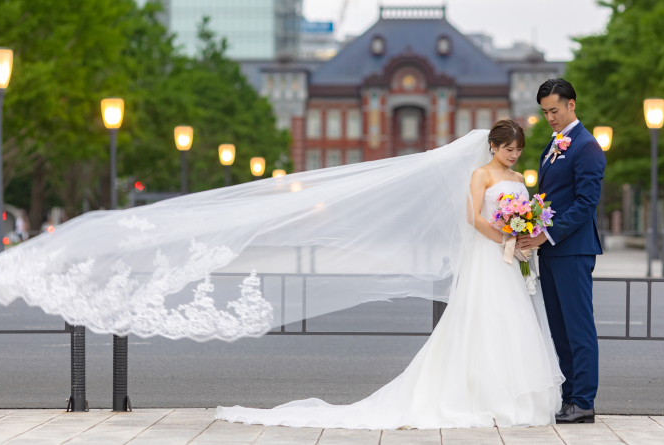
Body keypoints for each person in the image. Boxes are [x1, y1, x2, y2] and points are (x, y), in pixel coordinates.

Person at [215, 120, 564, 429]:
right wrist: (506, 238)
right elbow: (474, 218)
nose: (513, 155)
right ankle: (484, 397)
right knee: (484, 320)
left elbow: (524, 213)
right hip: (489, 256)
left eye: (518, 149)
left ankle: (517, 398)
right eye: (507, 149)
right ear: (492, 145)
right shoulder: (481, 175)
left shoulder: (519, 178)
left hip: (510, 258)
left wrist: (523, 237)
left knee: (512, 321)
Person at [517, 78, 606, 424]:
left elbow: (586, 204)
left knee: (578, 327)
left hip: (573, 250)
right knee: (560, 328)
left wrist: (545, 235)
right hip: (551, 251)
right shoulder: (554, 145)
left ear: (571, 105)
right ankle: (570, 398)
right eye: (544, 111)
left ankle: (583, 401)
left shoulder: (587, 146)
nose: (550, 117)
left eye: (554, 110)